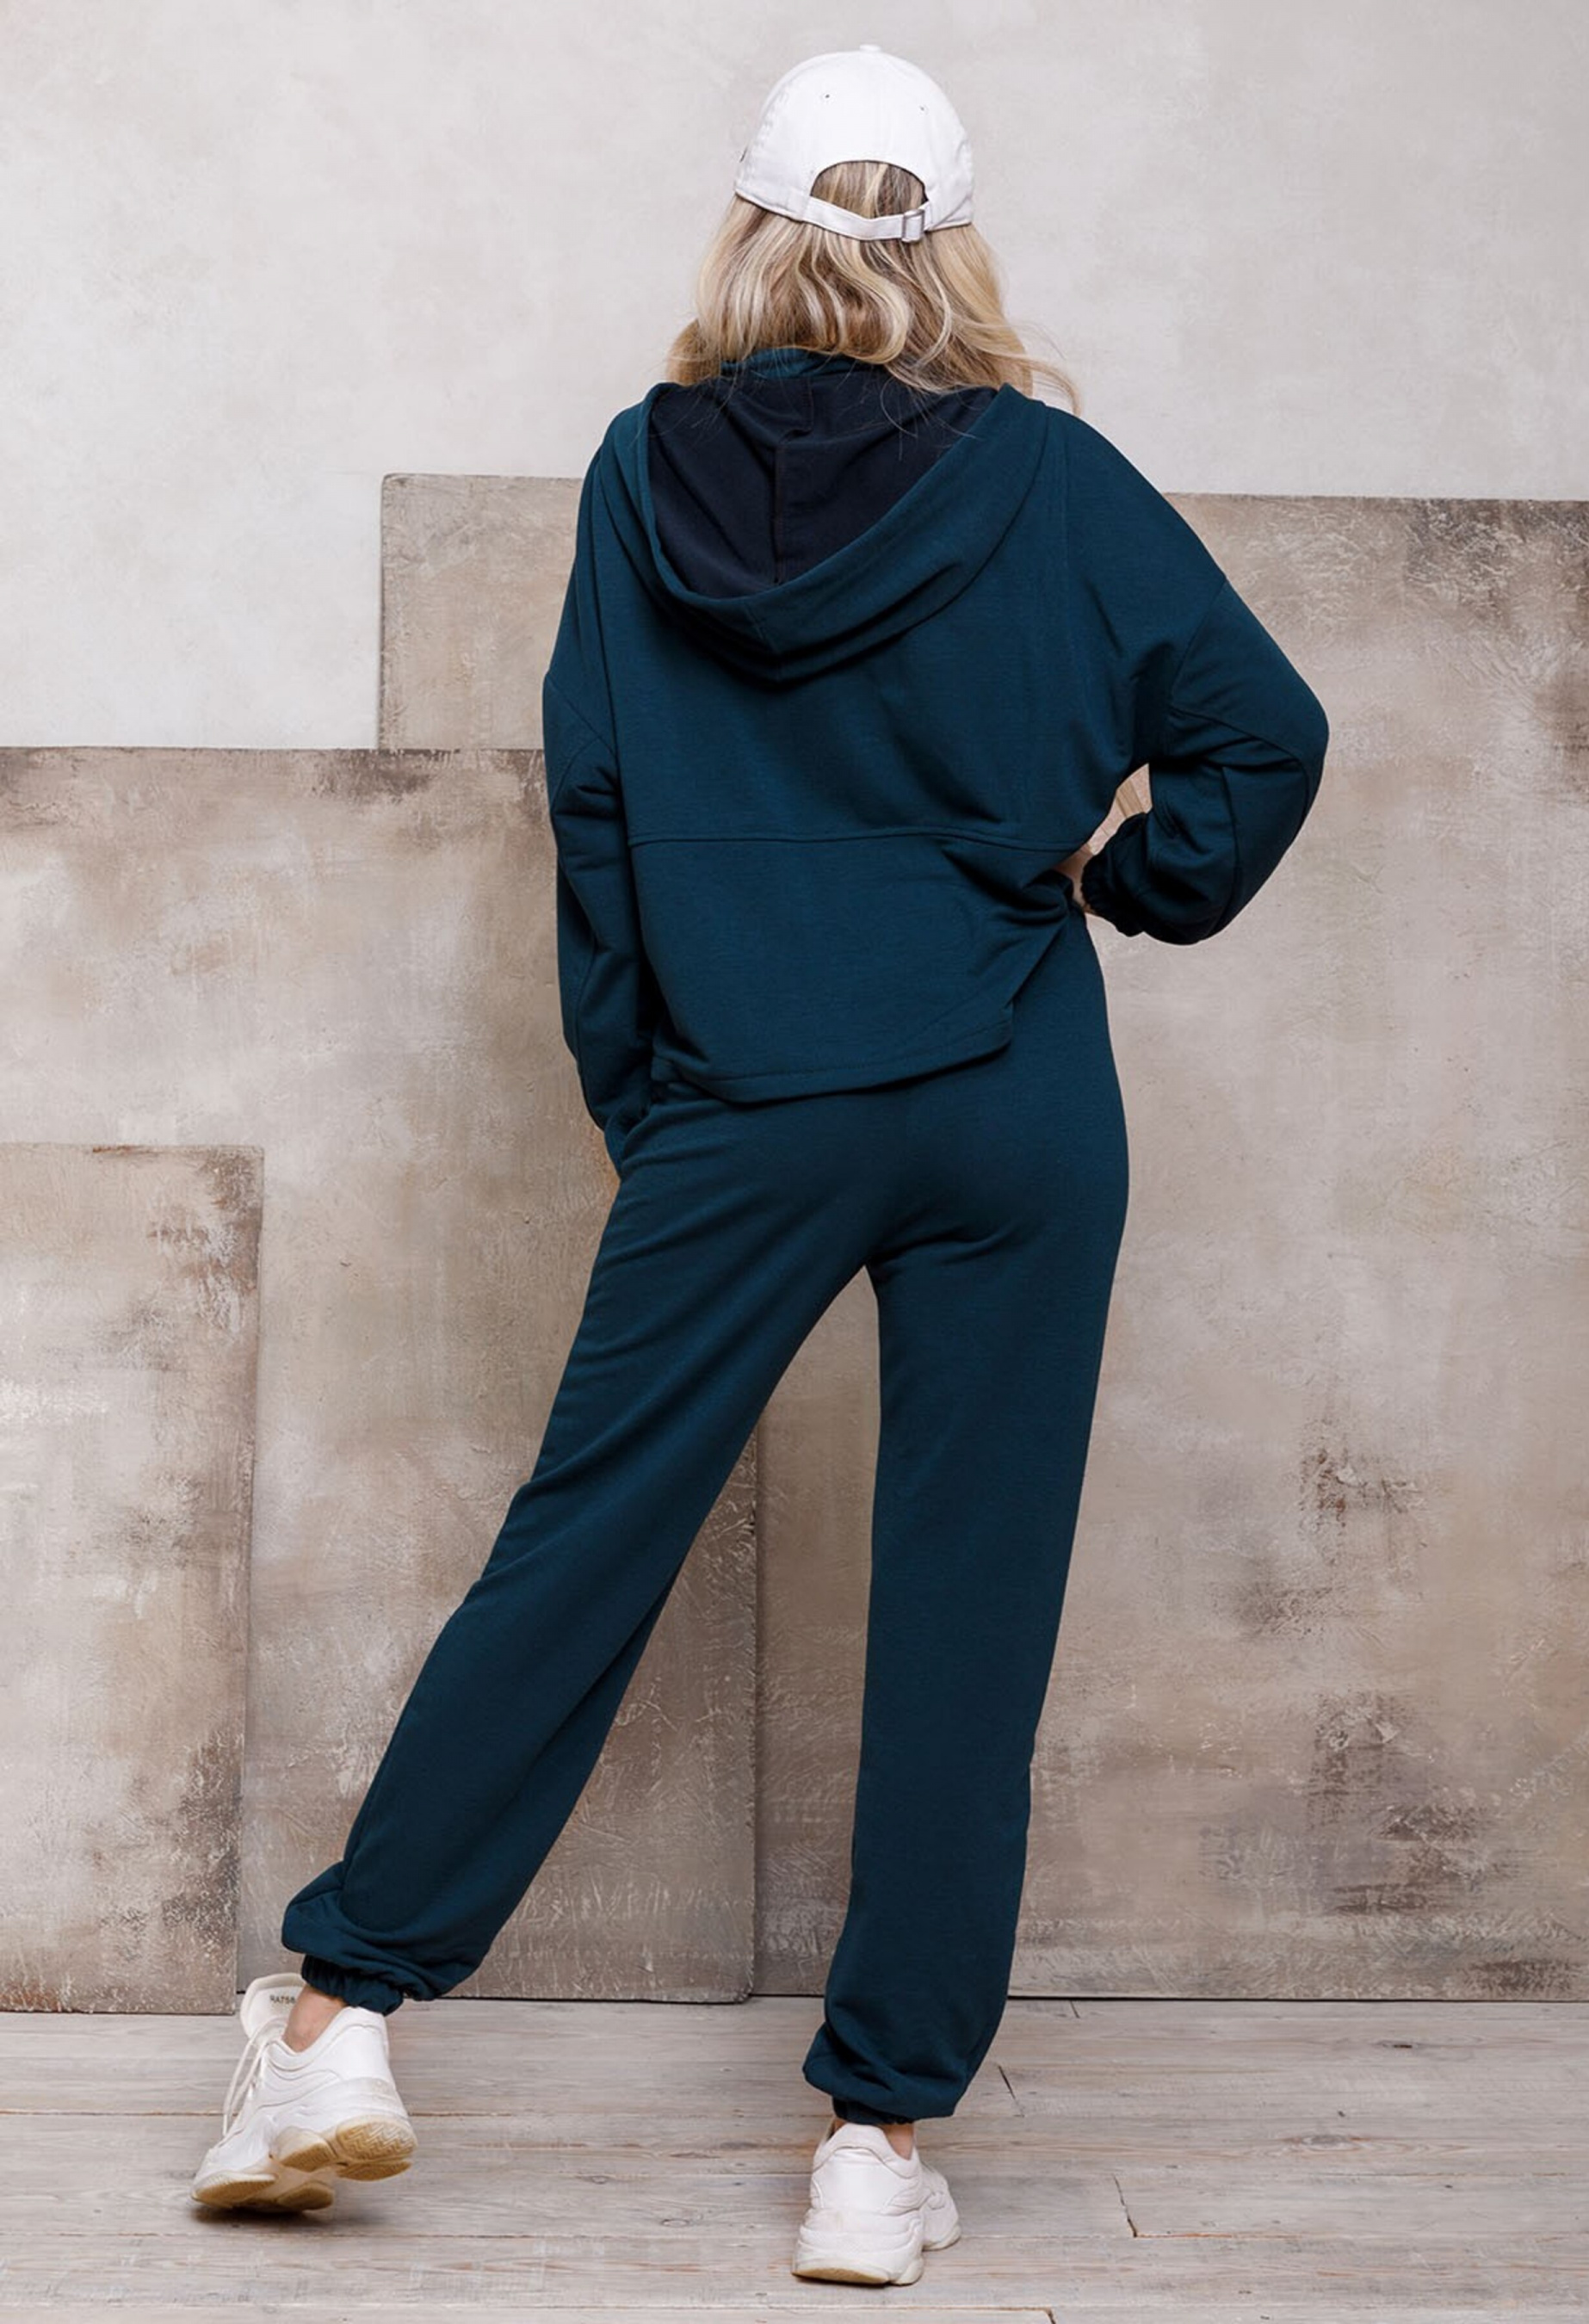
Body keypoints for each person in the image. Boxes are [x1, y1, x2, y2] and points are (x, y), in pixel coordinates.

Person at [191, 43, 1330, 2289]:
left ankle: (335, 2024)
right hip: (1012, 1094)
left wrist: (661, 1096)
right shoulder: (1053, 478)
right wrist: (1125, 889)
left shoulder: (641, 475)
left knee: (584, 1544)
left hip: (748, 1091)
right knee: (970, 1605)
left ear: (750, 232)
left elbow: (596, 809)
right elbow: (1260, 735)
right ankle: (876, 2144)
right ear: (948, 246)